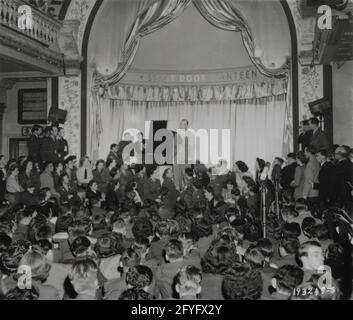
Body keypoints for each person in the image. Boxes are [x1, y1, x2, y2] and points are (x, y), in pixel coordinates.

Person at [173, 119, 193, 191]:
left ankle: (188, 190)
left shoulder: (190, 135)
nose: (182, 125)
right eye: (181, 124)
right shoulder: (176, 135)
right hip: (177, 158)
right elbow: (175, 147)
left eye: (184, 124)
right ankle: (177, 189)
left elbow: (191, 147)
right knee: (177, 176)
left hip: (186, 158)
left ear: (187, 126)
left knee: (186, 175)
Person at [332, 146, 353, 215]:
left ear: (339, 154)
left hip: (342, 195)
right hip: (347, 194)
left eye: (335, 153)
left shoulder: (340, 166)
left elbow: (335, 182)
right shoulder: (349, 164)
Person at [302, 147, 320, 216]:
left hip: (310, 192)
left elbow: (308, 180)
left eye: (305, 151)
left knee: (311, 215)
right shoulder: (316, 161)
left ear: (309, 152)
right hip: (316, 191)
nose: (304, 153)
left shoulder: (310, 163)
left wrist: (305, 194)